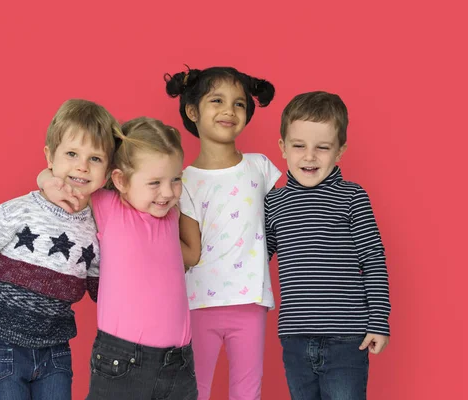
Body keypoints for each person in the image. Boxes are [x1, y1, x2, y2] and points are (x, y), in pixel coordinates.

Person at [0, 99, 118, 400]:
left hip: (55, 353)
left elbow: (100, 291)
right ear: (49, 157)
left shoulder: (98, 228)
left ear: (108, 170)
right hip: (0, 347)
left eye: (95, 158)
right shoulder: (17, 211)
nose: (82, 165)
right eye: (71, 154)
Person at [39, 117, 197, 400]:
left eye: (176, 179)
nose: (167, 191)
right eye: (154, 182)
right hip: (123, 361)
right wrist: (46, 180)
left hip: (180, 362)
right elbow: (64, 179)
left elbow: (187, 256)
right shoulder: (109, 207)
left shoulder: (172, 213)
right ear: (121, 180)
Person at [265, 91, 391, 400]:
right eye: (299, 146)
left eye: (322, 148)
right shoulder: (273, 202)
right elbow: (256, 259)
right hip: (294, 339)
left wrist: (379, 320)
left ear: (340, 151)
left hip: (346, 339)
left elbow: (373, 259)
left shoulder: (352, 197)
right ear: (282, 148)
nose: (309, 156)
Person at [165, 66, 280, 400]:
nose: (230, 110)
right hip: (199, 300)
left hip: (250, 300)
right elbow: (192, 251)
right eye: (217, 100)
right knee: (194, 390)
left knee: (248, 391)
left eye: (239, 104)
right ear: (192, 111)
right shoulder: (184, 180)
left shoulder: (261, 167)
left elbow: (284, 223)